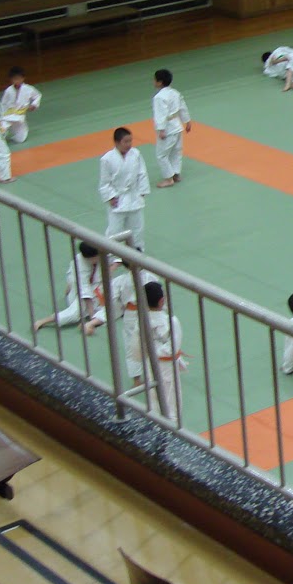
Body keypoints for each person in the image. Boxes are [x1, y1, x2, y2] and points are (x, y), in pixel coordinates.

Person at [133, 282, 187, 422]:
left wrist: (149, 354)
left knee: (154, 400)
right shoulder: (171, 321)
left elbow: (137, 350)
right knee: (171, 404)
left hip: (149, 364)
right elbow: (172, 349)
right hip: (166, 367)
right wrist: (157, 351)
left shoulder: (140, 321)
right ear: (162, 300)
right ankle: (172, 433)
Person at [34, 242, 107, 334]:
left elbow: (116, 259)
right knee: (75, 312)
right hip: (82, 291)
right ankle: (43, 321)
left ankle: (91, 322)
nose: (99, 258)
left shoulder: (101, 252)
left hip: (99, 286)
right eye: (96, 257)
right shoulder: (79, 264)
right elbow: (85, 292)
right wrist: (92, 315)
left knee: (112, 306)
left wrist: (114, 266)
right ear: (90, 258)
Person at [99, 126, 150, 249]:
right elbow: (105, 182)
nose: (129, 144)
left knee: (137, 229)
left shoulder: (136, 154)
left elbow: (142, 173)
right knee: (114, 230)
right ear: (117, 142)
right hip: (118, 198)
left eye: (130, 141)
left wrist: (142, 191)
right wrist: (110, 197)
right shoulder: (107, 159)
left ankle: (137, 252)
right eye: (125, 142)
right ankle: (111, 256)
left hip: (134, 196)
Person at [151, 69, 193, 187]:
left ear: (159, 82)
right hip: (177, 126)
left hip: (168, 129)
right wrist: (187, 121)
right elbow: (182, 107)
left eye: (154, 79)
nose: (153, 82)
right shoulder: (175, 93)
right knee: (176, 152)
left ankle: (168, 178)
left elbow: (160, 114)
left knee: (162, 155)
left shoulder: (159, 97)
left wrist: (161, 129)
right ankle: (176, 174)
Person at [0, 68, 42, 143]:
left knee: (20, 139)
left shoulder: (28, 89)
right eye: (14, 79)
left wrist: (34, 105)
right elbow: (3, 103)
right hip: (8, 115)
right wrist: (1, 115)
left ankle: (14, 136)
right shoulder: (8, 90)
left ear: (23, 78)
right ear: (11, 80)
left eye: (18, 79)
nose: (16, 81)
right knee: (2, 128)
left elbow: (38, 95)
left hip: (19, 115)